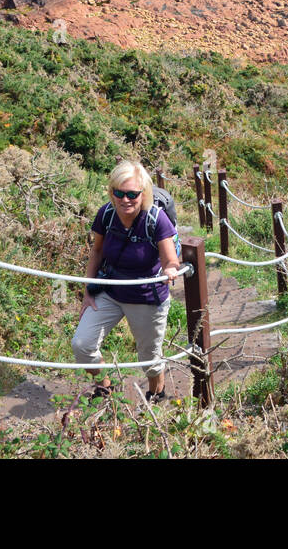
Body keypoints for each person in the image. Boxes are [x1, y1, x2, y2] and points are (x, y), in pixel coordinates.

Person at [71, 160, 182, 403]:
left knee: (149, 359)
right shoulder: (106, 214)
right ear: (111, 192)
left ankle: (156, 395)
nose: (125, 200)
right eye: (119, 193)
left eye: (132, 194)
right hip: (110, 290)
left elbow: (170, 260)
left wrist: (171, 270)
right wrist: (88, 290)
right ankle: (105, 389)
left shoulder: (156, 219)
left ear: (144, 193)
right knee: (82, 344)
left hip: (145, 296)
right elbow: (97, 252)